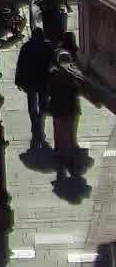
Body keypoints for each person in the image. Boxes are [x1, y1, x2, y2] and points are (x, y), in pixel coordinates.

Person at [50, 43, 85, 178]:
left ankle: (62, 156)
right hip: (69, 108)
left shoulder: (54, 73)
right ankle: (67, 158)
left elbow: (50, 90)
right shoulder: (72, 74)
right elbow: (78, 89)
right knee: (68, 134)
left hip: (59, 108)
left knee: (61, 132)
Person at [15, 27, 53, 143]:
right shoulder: (47, 47)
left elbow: (20, 65)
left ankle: (35, 126)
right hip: (43, 81)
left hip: (30, 82)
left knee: (32, 106)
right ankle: (39, 126)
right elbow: (52, 64)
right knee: (43, 105)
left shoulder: (26, 47)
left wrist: (18, 81)